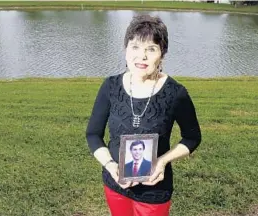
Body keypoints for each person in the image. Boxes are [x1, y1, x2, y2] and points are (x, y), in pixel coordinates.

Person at [86, 14, 201, 216]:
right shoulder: (110, 86)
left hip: (155, 191)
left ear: (162, 54)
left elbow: (192, 137)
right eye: (135, 47)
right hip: (115, 184)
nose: (142, 56)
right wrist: (110, 165)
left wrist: (162, 161)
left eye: (151, 49)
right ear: (126, 50)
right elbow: (93, 135)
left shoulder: (176, 93)